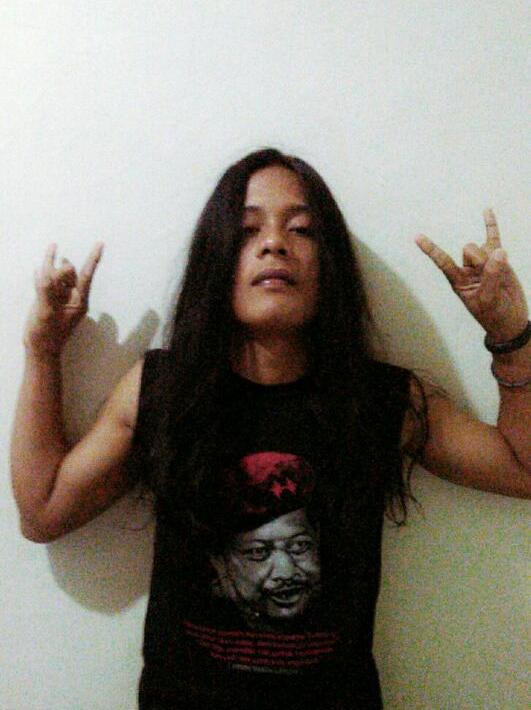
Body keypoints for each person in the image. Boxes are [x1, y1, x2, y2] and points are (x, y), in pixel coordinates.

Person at [10, 148, 530, 709]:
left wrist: (510, 333)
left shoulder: (380, 400)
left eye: (301, 229)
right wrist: (43, 350)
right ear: (217, 260)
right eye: (247, 229)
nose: (274, 242)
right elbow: (43, 511)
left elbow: (521, 468)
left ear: (329, 265)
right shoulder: (164, 390)